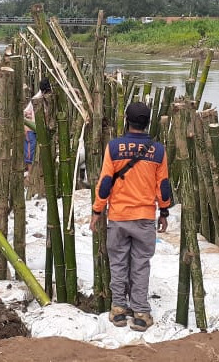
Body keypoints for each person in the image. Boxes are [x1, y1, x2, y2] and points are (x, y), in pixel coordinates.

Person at [89, 102, 171, 332]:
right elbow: (162, 186)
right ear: (147, 122)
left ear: (127, 120)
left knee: (118, 263)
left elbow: (105, 183)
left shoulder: (114, 147)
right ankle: (141, 313)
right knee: (140, 264)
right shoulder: (159, 150)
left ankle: (118, 310)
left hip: (118, 216)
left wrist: (97, 211)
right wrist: (164, 211)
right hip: (144, 217)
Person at [23, 77, 51, 175]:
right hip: (31, 130)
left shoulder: (49, 98)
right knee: (31, 154)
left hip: (41, 130)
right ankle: (31, 176)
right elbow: (25, 112)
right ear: (44, 91)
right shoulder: (36, 99)